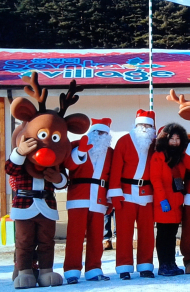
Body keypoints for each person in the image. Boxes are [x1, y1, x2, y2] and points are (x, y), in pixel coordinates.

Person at [63, 118, 114, 283]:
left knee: (96, 237)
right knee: (75, 236)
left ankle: (94, 269)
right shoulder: (78, 145)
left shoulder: (110, 152)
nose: (101, 135)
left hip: (99, 198)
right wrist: (81, 152)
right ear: (92, 132)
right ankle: (71, 271)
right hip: (79, 196)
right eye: (98, 132)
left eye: (104, 133)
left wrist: (110, 200)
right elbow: (69, 164)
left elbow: (112, 176)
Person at [108, 110, 157, 280]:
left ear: (153, 127)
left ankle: (146, 266)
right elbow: (115, 169)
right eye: (141, 125)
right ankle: (124, 267)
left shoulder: (155, 144)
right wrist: (114, 194)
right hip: (126, 193)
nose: (144, 128)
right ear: (136, 125)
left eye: (148, 125)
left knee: (147, 233)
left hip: (148, 194)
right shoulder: (124, 141)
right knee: (124, 232)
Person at [150, 123, 189, 277]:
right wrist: (162, 200)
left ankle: (171, 262)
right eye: (171, 138)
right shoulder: (158, 156)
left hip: (176, 201)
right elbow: (156, 179)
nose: (174, 141)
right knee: (163, 234)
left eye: (177, 139)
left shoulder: (179, 157)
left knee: (172, 235)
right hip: (164, 201)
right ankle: (163, 264)